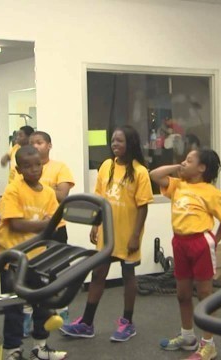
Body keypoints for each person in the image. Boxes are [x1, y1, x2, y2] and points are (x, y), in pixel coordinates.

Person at [61, 125, 153, 342]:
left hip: (128, 233)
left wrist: (135, 235)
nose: (114, 145)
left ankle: (127, 322)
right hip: (107, 233)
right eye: (113, 140)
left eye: (119, 141)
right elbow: (100, 200)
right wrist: (96, 224)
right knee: (98, 273)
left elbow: (143, 207)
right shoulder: (106, 166)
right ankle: (87, 322)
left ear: (129, 143)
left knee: (128, 275)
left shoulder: (140, 172)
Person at [151, 148, 221, 360]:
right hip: (179, 242)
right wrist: (179, 167)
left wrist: (214, 241)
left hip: (200, 243)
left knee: (204, 295)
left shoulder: (211, 192)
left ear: (202, 168)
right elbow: (155, 175)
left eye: (189, 160)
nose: (183, 163)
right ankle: (188, 337)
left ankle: (208, 344)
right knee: (182, 294)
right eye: (183, 161)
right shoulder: (178, 185)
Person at [0, 145, 67, 360]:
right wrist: (42, 224)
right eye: (28, 166)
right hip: (13, 259)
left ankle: (40, 348)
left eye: (38, 165)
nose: (34, 169)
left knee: (42, 304)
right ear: (19, 169)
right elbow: (16, 224)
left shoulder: (48, 193)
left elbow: (55, 224)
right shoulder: (13, 190)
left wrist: (44, 225)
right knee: (14, 306)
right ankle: (13, 350)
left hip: (38, 259)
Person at [28, 130, 75, 329]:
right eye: (32, 143)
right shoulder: (21, 170)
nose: (36, 146)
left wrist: (37, 188)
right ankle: (34, 313)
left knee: (59, 270)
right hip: (32, 228)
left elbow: (62, 195)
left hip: (56, 227)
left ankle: (62, 310)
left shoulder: (59, 167)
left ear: (49, 145)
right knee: (33, 271)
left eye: (39, 142)